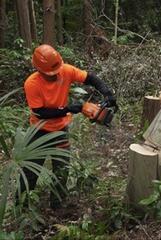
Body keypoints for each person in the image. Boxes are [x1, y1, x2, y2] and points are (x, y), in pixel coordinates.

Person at [22, 44, 116, 209]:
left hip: (60, 130)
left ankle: (56, 208)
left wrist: (107, 93)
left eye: (57, 70)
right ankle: (21, 205)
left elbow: (91, 78)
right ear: (39, 70)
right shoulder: (32, 83)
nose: (56, 75)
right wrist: (71, 108)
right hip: (39, 131)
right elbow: (40, 113)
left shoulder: (65, 70)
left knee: (61, 170)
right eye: (51, 73)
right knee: (30, 172)